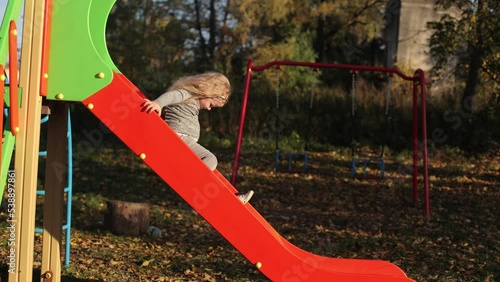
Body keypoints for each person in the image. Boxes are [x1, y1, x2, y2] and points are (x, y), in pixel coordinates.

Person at [141, 72, 254, 204]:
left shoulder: (192, 100)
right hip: (179, 139)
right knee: (210, 159)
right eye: (211, 104)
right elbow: (172, 96)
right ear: (208, 93)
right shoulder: (187, 94)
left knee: (210, 172)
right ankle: (194, 181)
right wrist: (158, 103)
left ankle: (229, 197)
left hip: (184, 140)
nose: (210, 109)